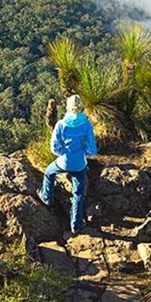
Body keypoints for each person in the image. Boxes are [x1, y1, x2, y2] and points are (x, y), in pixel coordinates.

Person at [38, 94, 98, 233]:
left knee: (48, 173)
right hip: (80, 164)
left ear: (68, 107)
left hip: (63, 161)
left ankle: (47, 198)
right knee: (78, 194)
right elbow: (92, 149)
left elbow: (54, 148)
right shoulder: (87, 125)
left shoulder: (61, 124)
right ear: (81, 107)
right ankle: (76, 224)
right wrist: (82, 153)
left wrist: (64, 153)